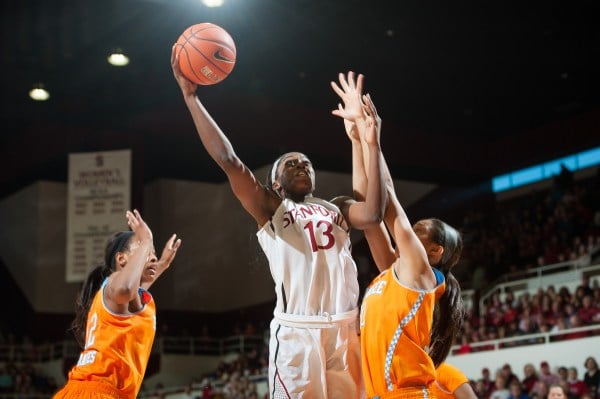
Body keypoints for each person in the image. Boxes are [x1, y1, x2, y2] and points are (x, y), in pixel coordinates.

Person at [172, 47, 386, 398]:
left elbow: (374, 213)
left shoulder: (339, 208)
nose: (301, 165)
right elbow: (229, 160)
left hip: (346, 328)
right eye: (290, 163)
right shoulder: (271, 209)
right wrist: (192, 98)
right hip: (298, 333)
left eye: (306, 162)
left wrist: (368, 141)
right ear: (274, 183)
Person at [331, 72, 464, 397]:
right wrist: (356, 140)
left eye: (419, 232)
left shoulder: (420, 271)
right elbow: (370, 207)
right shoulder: (393, 272)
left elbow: (387, 196)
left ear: (434, 252)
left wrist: (371, 139)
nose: (409, 230)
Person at [53, 210, 182, 399]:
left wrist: (162, 263)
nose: (151, 256)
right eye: (144, 251)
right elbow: (127, 289)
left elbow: (136, 289)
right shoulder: (115, 283)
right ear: (121, 259)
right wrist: (146, 240)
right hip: (94, 392)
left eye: (151, 253)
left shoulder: (130, 297)